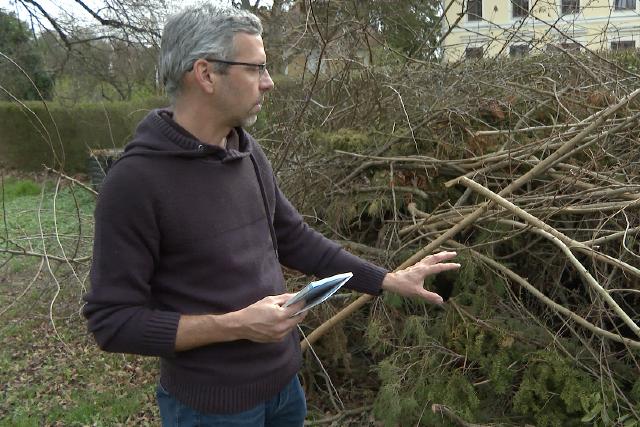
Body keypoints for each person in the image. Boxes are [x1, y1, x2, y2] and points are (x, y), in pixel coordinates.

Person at [83, 4, 460, 426]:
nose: (269, 83)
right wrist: (236, 325)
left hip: (284, 391)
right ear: (206, 74)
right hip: (211, 410)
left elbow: (294, 238)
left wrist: (388, 279)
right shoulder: (135, 183)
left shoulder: (245, 152)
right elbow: (112, 322)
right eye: (256, 69)